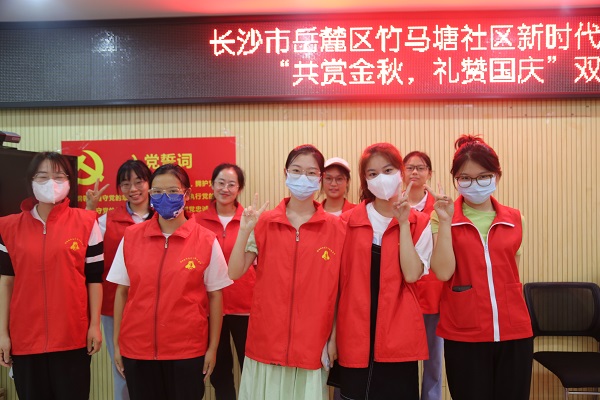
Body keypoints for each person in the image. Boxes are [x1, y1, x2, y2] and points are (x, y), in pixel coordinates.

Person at [228, 144, 346, 400]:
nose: (303, 178)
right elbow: (234, 272)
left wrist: (334, 338)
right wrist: (245, 230)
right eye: (296, 170)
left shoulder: (337, 228)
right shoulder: (265, 222)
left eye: (311, 173)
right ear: (285, 173)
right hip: (266, 340)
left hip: (311, 342)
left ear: (320, 178)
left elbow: (339, 291)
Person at [107, 163, 233, 400]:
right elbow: (122, 292)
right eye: (157, 192)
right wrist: (116, 344)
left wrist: (212, 349)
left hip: (187, 351)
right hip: (137, 350)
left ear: (187, 194)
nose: (164, 197)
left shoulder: (206, 240)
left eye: (173, 191)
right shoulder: (132, 237)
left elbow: (215, 296)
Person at [429, 135, 533, 400]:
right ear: (455, 180)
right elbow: (443, 272)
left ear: (497, 176)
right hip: (464, 332)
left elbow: (512, 274)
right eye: (465, 178)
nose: (474, 184)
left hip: (514, 331)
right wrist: (445, 220)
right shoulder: (443, 217)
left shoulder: (515, 218)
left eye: (484, 176)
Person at [0, 151, 104, 400]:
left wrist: (94, 325)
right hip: (25, 338)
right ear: (31, 182)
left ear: (69, 183)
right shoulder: (8, 227)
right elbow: (6, 282)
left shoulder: (87, 222)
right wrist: (3, 333)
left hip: (72, 336)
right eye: (43, 176)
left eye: (59, 177)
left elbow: (94, 279)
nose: (51, 183)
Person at [335, 143, 432, 400]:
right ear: (365, 180)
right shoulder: (346, 222)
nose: (381, 178)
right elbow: (335, 286)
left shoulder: (420, 222)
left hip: (399, 334)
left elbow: (412, 274)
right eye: (373, 173)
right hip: (354, 332)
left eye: (388, 170)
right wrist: (332, 336)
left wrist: (403, 222)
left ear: (401, 172)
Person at [85, 160, 154, 400]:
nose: (133, 189)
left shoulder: (165, 217)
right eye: (126, 184)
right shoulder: (107, 221)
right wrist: (90, 209)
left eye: (139, 182)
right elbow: (84, 246)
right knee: (122, 368)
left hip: (157, 305)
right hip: (116, 307)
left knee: (155, 367)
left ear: (150, 183)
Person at [196, 163, 256, 400]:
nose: (225, 188)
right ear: (212, 185)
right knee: (219, 372)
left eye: (232, 184)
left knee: (250, 369)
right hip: (211, 309)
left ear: (239, 189)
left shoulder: (250, 220)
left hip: (246, 308)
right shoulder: (196, 221)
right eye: (220, 183)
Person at [402, 151, 443, 400]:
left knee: (433, 359)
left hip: (433, 292)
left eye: (421, 167)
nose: (415, 172)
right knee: (402, 355)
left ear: (429, 173)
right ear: (402, 172)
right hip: (403, 292)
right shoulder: (394, 203)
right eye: (409, 167)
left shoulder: (438, 206)